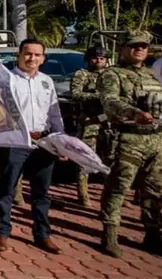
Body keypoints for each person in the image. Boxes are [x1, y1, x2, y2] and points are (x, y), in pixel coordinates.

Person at [0, 39, 65, 254]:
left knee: (41, 192)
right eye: (27, 53)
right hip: (15, 142)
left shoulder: (47, 81)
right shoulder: (6, 80)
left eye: (37, 55)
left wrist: (60, 140)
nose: (31, 58)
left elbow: (54, 113)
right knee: (7, 188)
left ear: (42, 58)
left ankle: (42, 234)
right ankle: (2, 232)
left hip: (43, 142)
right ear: (19, 55)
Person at [98, 31, 162, 258]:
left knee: (155, 190)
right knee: (118, 187)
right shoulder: (112, 74)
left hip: (155, 140)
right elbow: (110, 102)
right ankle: (110, 234)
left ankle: (153, 234)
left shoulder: (152, 76)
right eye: (134, 45)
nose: (139, 49)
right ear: (123, 48)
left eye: (143, 46)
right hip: (128, 138)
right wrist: (134, 113)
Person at [70, 45, 109, 207]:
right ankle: (83, 195)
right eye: (95, 58)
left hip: (109, 122)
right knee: (85, 158)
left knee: (111, 158)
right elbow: (76, 94)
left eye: (102, 58)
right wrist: (98, 96)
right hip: (89, 121)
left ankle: (110, 195)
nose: (98, 61)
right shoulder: (82, 74)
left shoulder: (111, 74)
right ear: (88, 59)